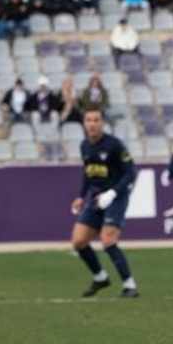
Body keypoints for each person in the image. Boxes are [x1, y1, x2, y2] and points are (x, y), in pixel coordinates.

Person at [70, 109, 138, 299]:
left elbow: (130, 172)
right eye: (88, 120)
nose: (92, 124)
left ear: (103, 123)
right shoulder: (84, 146)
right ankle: (100, 278)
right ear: (84, 123)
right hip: (96, 199)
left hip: (116, 197)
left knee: (108, 240)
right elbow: (87, 173)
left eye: (96, 120)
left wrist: (113, 192)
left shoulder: (114, 145)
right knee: (78, 241)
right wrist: (81, 196)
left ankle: (129, 285)